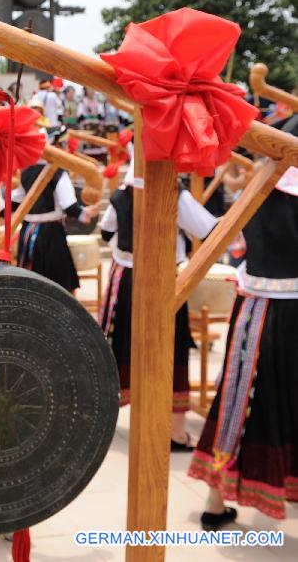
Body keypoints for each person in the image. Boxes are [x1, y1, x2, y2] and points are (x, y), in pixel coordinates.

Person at [186, 117, 298, 529]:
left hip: (253, 310)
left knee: (238, 403)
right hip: (291, 311)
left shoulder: (258, 189)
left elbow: (231, 242)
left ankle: (215, 503)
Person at [98, 161, 217, 450]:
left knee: (119, 344)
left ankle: (104, 420)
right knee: (169, 346)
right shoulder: (175, 194)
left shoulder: (121, 195)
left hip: (124, 278)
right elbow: (208, 230)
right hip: (162, 279)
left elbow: (105, 232)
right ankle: (176, 432)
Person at [7, 127, 99, 292]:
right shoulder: (57, 172)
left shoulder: (26, 171)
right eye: (62, 145)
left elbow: (14, 203)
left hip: (28, 232)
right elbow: (70, 206)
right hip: (51, 235)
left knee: (32, 282)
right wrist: (86, 214)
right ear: (54, 147)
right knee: (59, 285)